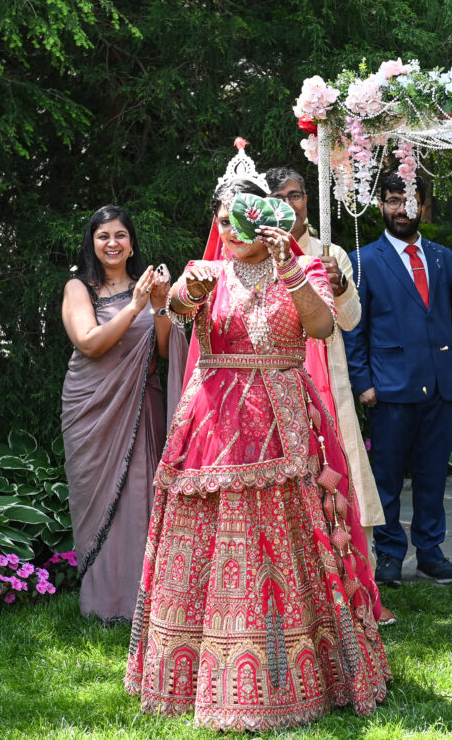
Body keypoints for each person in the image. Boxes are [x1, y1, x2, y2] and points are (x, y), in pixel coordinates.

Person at [124, 151, 389, 731]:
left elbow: (322, 328)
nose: (231, 232)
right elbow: (178, 311)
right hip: (213, 424)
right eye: (223, 222)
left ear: (270, 216)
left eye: (241, 220)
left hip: (284, 422)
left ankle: (311, 672)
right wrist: (187, 293)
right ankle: (192, 674)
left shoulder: (304, 268)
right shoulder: (207, 271)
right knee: (205, 539)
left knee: (292, 536)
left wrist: (286, 263)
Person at [265, 167, 392, 626]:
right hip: (277, 383)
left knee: (342, 480)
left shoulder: (328, 251)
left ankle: (360, 590)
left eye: (297, 194)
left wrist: (338, 286)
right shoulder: (258, 253)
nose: (291, 203)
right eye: (279, 196)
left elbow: (353, 319)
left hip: (328, 382)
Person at [343, 172, 452, 587]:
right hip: (389, 385)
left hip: (440, 383)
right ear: (380, 205)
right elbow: (353, 327)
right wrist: (362, 381)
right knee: (386, 475)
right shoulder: (362, 261)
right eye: (394, 200)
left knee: (433, 474)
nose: (402, 209)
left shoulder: (442, 257)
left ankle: (431, 553)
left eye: (410, 200)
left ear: (423, 205)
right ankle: (388, 554)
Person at [60, 205, 185, 623]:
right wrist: (135, 307)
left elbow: (165, 350)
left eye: (120, 235)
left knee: (141, 497)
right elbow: (90, 343)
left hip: (140, 403)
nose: (112, 243)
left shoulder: (149, 287)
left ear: (132, 243)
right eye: (103, 236)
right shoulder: (80, 289)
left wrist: (162, 305)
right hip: (91, 408)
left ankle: (144, 603)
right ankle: (102, 603)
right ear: (92, 243)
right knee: (99, 500)